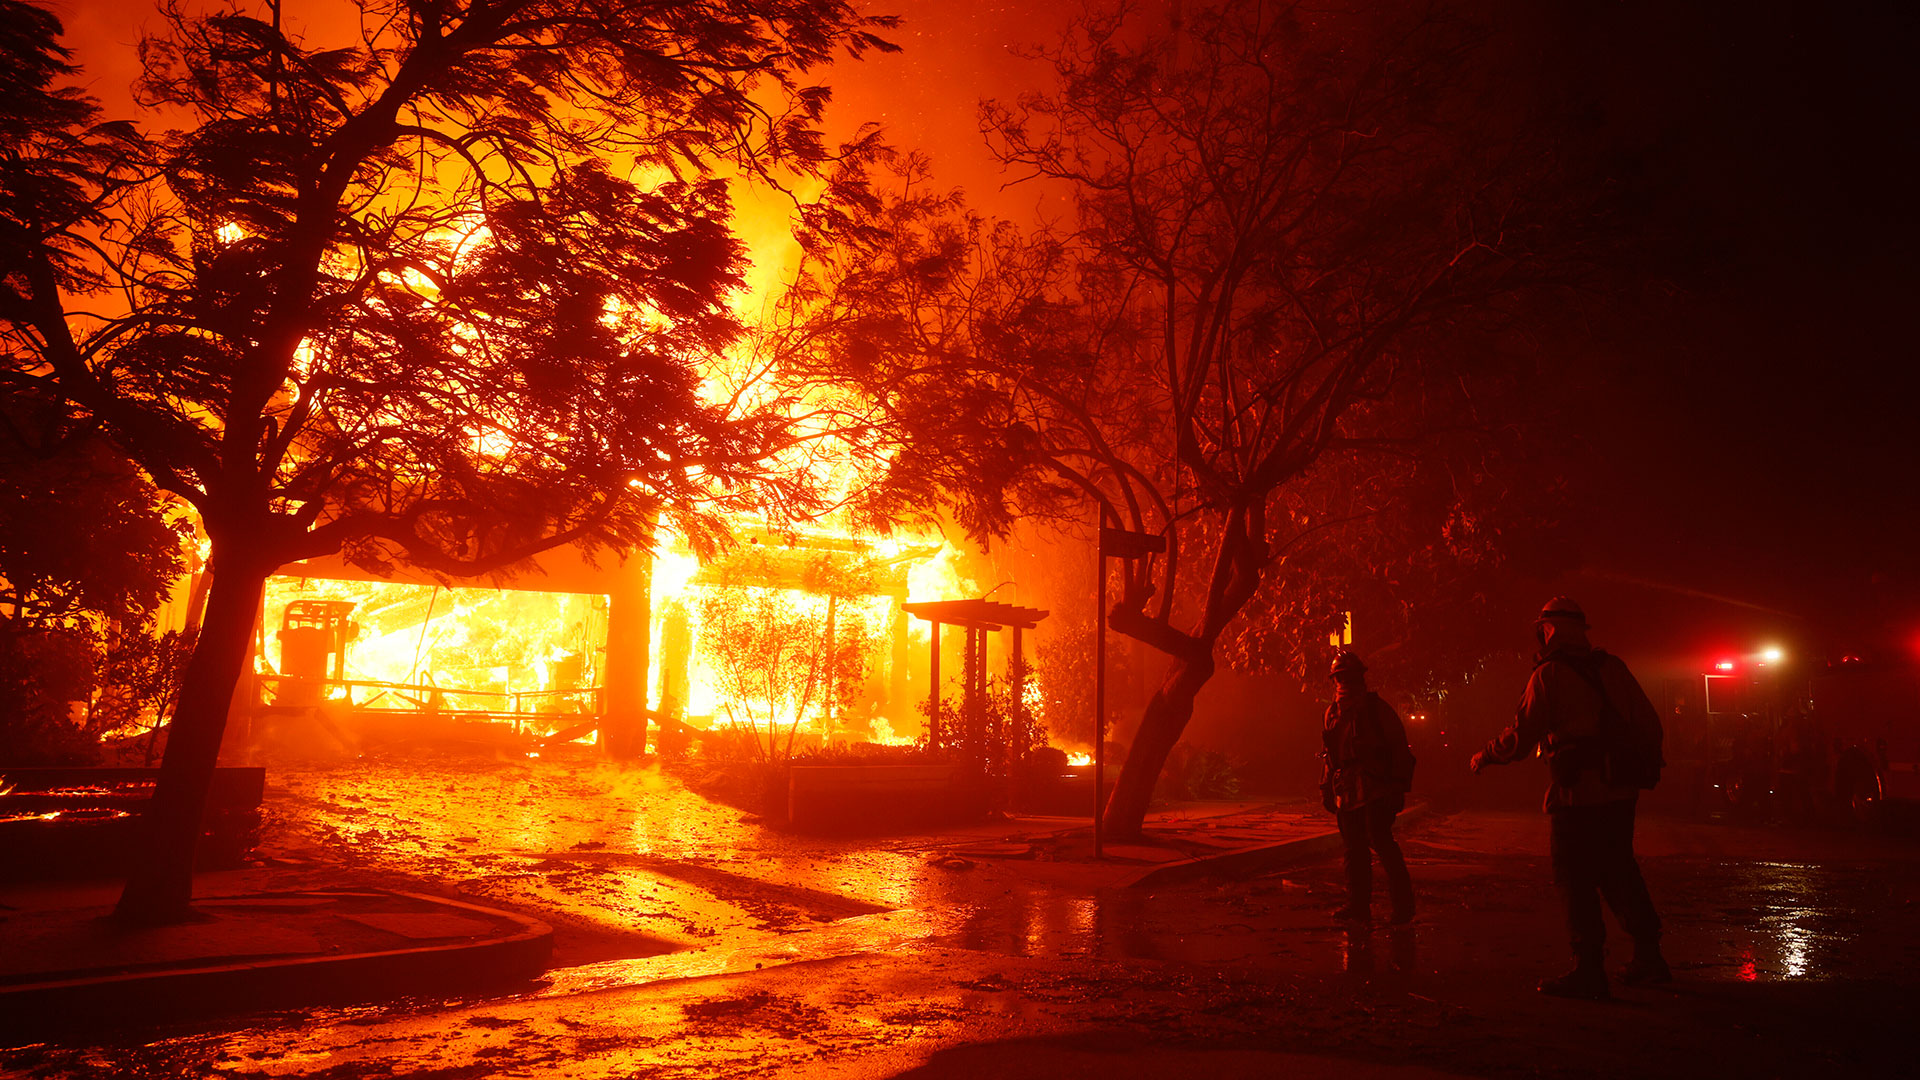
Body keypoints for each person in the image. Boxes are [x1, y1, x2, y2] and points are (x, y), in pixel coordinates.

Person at [1470, 597, 1669, 1000]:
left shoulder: (1548, 675)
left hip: (1577, 794)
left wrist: (1485, 755)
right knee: (1619, 871)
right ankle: (1650, 958)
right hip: (1620, 792)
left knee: (1573, 879)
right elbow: (1650, 725)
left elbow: (1521, 737)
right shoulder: (1614, 668)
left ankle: (1588, 970)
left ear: (1548, 631)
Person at [1321, 651, 1416, 925]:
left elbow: (1399, 750)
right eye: (1340, 677)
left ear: (1360, 677)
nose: (1344, 681)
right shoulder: (1332, 713)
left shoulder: (1377, 710)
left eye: (1348, 676)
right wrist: (1326, 786)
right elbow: (1330, 754)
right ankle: (1358, 905)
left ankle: (1403, 907)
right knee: (1353, 848)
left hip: (1376, 787)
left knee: (1381, 843)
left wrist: (1398, 787)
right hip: (1347, 788)